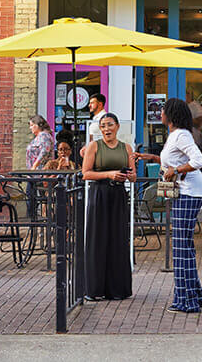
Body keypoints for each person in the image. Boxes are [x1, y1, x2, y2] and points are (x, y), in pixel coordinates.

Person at [79, 113, 137, 301]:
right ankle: (94, 289)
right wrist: (109, 174)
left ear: (118, 127)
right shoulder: (94, 147)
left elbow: (134, 176)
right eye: (103, 126)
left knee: (118, 239)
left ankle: (117, 289)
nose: (106, 129)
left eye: (110, 125)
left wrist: (126, 175)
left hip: (118, 194)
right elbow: (86, 174)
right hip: (99, 194)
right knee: (98, 238)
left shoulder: (127, 148)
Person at [159, 97, 202, 313]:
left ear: (170, 115)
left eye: (162, 110)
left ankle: (186, 301)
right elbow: (174, 162)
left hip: (189, 193)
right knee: (183, 247)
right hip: (187, 193)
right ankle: (194, 296)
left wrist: (177, 171)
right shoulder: (176, 135)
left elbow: (199, 160)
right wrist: (151, 157)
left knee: (180, 248)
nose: (159, 113)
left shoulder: (180, 135)